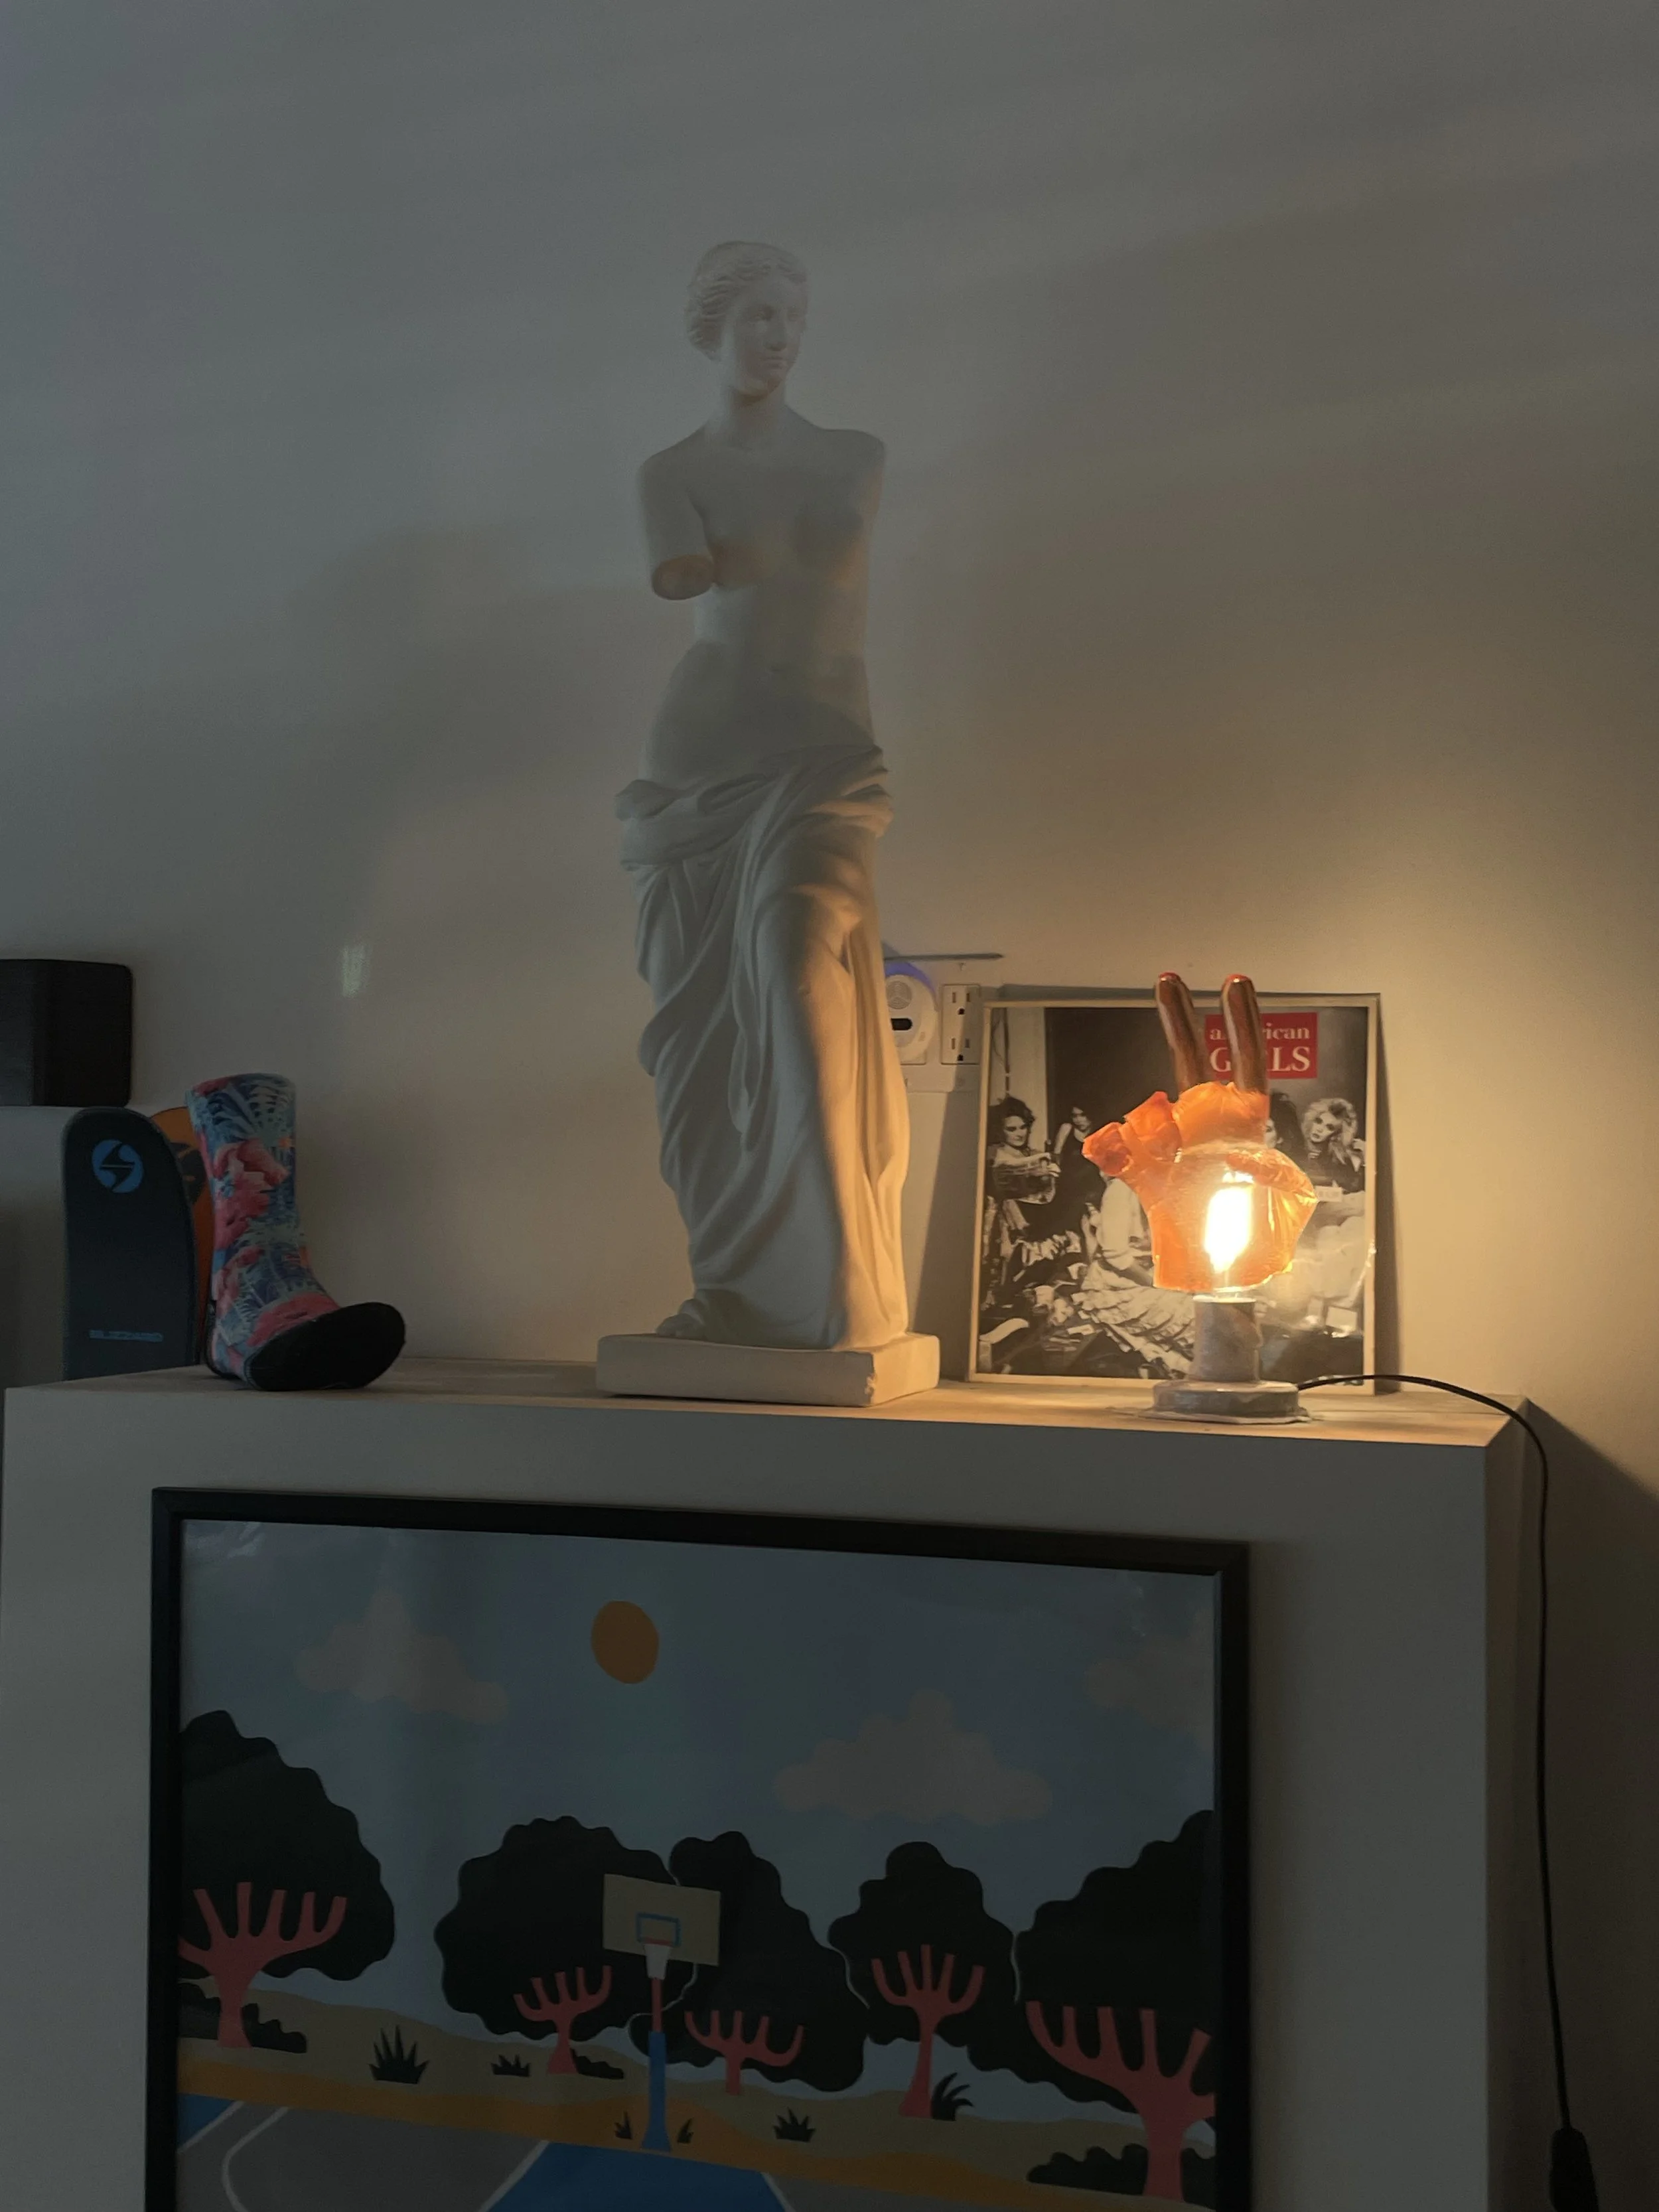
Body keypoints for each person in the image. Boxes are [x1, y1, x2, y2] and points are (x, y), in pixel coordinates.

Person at [621, 243, 908, 1351]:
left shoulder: (857, 455)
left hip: (826, 760)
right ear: (713, 329)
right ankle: (738, 1290)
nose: (780, 336)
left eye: (793, 315)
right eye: (757, 317)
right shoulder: (672, 473)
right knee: (699, 1038)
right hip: (700, 762)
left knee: (796, 977)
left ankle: (835, 1291)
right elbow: (679, 572)